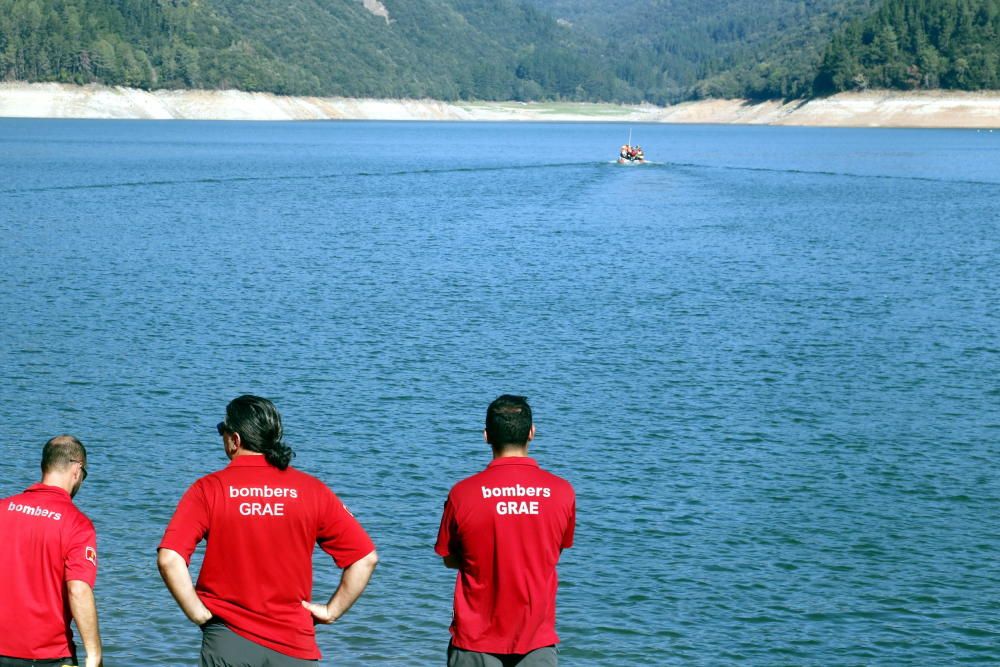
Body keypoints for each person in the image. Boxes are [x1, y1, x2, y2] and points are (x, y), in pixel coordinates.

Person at [158, 395, 378, 666]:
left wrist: (197, 613)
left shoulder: (209, 489)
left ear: (235, 440)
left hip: (227, 639)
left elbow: (170, 558)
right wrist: (332, 611)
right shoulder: (311, 490)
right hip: (294, 644)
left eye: (223, 432)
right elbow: (365, 558)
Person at [436, 395, 576, 667]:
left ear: (486, 436)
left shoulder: (463, 494)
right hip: (537, 640)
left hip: (475, 641)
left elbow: (449, 558)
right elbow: (555, 551)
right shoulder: (562, 492)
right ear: (532, 433)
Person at [0, 435, 103, 667]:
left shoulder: (2, 509)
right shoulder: (77, 524)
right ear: (77, 469)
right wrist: (94, 655)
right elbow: (78, 590)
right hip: (48, 655)